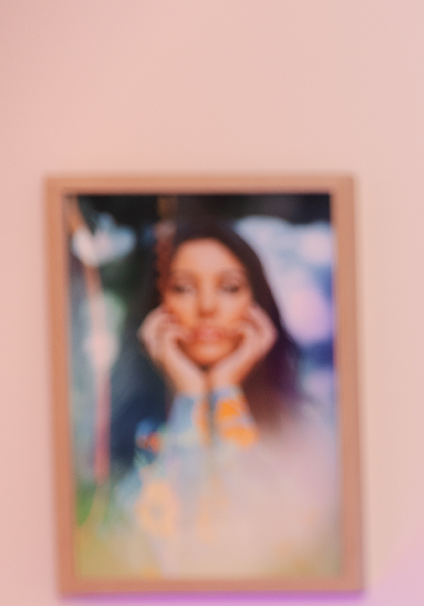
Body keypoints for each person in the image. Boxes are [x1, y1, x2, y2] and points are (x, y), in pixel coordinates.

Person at [99, 213, 338, 578]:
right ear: (156, 309)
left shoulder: (304, 432)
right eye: (183, 288)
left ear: (257, 306)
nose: (208, 307)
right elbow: (163, 552)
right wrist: (191, 397)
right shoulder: (128, 441)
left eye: (229, 287)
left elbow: (266, 544)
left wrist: (226, 392)